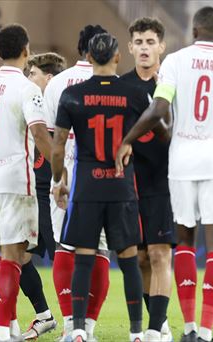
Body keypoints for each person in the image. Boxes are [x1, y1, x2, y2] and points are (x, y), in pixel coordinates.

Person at [115, 6, 213, 342]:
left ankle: (189, 327)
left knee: (182, 242)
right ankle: (207, 332)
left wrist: (128, 139)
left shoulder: (176, 62)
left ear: (194, 32)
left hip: (181, 161)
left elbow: (159, 109)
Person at [51, 32, 146, 342]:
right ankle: (136, 332)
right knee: (129, 260)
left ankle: (78, 329)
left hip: (87, 187)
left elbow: (57, 146)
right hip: (120, 186)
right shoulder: (134, 94)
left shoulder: (73, 95)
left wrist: (57, 181)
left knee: (83, 257)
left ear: (88, 58)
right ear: (119, 57)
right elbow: (150, 137)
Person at [0, 23, 53, 342]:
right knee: (14, 257)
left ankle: (13, 325)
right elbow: (40, 133)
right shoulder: (27, 88)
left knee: (7, 254)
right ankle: (1, 330)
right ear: (26, 50)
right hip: (17, 180)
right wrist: (60, 173)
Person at [43, 24, 109, 342]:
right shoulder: (116, 83)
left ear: (80, 47)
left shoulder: (57, 83)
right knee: (100, 252)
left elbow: (50, 137)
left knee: (65, 248)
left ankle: (71, 327)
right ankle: (90, 328)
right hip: (105, 177)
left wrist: (57, 179)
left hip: (67, 172)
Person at [118, 17, 173, 341]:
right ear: (129, 47)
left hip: (164, 181)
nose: (144, 48)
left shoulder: (172, 83)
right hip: (129, 182)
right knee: (139, 258)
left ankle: (156, 325)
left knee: (159, 253)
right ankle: (158, 317)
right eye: (138, 42)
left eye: (150, 42)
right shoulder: (122, 86)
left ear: (161, 47)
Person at [20, 52, 66, 341]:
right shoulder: (29, 103)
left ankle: (77, 323)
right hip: (31, 191)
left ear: (49, 78)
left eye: (33, 73)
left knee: (64, 256)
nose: (28, 79)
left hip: (54, 191)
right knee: (20, 255)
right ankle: (44, 316)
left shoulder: (62, 106)